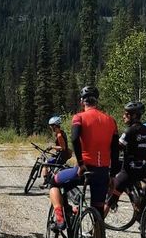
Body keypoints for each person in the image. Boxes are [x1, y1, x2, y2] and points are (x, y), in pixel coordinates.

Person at [49, 85, 119, 229]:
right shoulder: (111, 121)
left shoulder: (79, 117)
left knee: (54, 182)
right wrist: (112, 175)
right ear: (96, 101)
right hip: (103, 173)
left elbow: (75, 139)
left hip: (85, 169)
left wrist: (81, 163)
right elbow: (115, 150)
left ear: (82, 102)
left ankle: (60, 219)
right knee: (98, 212)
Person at [105, 102, 146, 215]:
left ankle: (97, 224)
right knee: (133, 188)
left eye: (126, 114)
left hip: (129, 170)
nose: (123, 116)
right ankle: (140, 213)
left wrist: (109, 141)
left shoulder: (129, 130)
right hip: (143, 169)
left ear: (133, 116)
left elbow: (118, 147)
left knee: (110, 197)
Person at [41, 115, 71, 184]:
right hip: (62, 155)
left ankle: (45, 181)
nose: (50, 127)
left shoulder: (59, 135)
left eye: (51, 126)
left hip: (61, 157)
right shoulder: (61, 133)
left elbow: (63, 147)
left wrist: (52, 147)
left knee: (45, 163)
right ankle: (50, 176)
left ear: (55, 126)